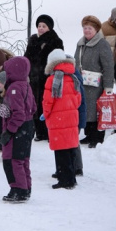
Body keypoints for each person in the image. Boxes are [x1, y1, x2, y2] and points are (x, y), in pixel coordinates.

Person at [42, 49, 82, 189]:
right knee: (70, 148)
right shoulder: (73, 77)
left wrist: (46, 114)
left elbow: (48, 101)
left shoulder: (53, 79)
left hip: (58, 118)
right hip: (71, 117)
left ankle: (65, 180)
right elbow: (78, 99)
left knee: (60, 150)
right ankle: (71, 177)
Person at [0, 57, 37, 203]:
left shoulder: (14, 88)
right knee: (23, 159)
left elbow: (19, 114)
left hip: (18, 129)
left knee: (13, 160)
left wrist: (9, 131)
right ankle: (26, 188)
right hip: (28, 126)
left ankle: (18, 190)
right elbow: (32, 108)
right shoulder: (26, 85)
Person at [74, 15, 115, 148]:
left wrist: (108, 86)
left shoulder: (102, 44)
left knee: (97, 111)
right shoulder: (81, 43)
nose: (86, 31)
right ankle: (88, 135)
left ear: (96, 29)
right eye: (85, 28)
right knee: (86, 110)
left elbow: (108, 66)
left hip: (97, 84)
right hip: (83, 83)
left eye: (89, 28)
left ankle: (97, 137)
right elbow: (75, 62)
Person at [22, 14, 64, 142]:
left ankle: (50, 131)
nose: (40, 28)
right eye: (39, 26)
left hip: (47, 78)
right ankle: (39, 132)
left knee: (48, 104)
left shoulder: (55, 41)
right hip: (33, 78)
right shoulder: (33, 40)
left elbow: (58, 60)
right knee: (35, 105)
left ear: (49, 28)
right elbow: (26, 58)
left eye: (44, 26)